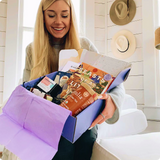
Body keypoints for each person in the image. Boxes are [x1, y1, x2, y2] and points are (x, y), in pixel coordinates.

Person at [1, 0, 125, 160]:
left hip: (82, 120)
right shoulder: (32, 50)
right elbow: (26, 91)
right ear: (43, 17)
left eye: (64, 15)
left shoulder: (85, 45)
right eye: (51, 15)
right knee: (60, 143)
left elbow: (113, 81)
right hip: (47, 121)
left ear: (71, 17)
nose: (58, 21)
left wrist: (113, 101)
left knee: (83, 139)